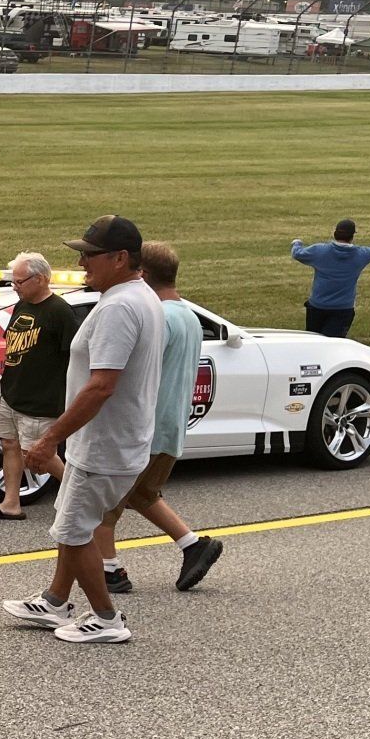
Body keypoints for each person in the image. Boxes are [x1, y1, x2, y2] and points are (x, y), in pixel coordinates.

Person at [1, 215, 163, 645]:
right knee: (75, 522)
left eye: (90, 255)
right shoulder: (138, 296)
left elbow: (102, 385)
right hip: (113, 440)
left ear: (121, 257)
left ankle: (107, 618)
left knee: (73, 531)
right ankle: (55, 601)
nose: (83, 262)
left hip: (106, 444)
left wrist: (50, 437)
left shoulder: (119, 307)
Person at [90, 243, 224, 597]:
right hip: (172, 426)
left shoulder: (158, 318)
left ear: (143, 274)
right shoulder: (189, 317)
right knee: (144, 495)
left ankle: (110, 572)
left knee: (102, 508)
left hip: (144, 426)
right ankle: (192, 545)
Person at [0, 251, 77, 521]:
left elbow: (74, 357)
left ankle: (81, 495)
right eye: (14, 282)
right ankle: (11, 503)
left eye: (20, 282)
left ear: (41, 279)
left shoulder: (60, 312)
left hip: (40, 399)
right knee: (9, 444)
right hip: (10, 392)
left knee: (39, 455)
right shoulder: (22, 306)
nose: (15, 287)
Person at [292, 220, 370, 337]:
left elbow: (297, 254)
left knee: (313, 339)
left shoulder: (320, 250)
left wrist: (297, 243)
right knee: (334, 343)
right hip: (343, 309)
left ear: (335, 234)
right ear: (352, 236)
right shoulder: (362, 254)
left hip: (317, 306)